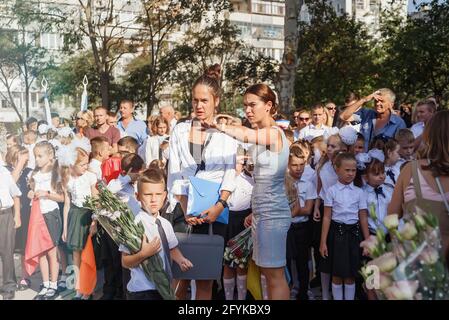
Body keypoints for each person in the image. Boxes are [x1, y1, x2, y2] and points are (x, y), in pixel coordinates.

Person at [204, 83, 291, 300]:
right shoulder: (261, 134)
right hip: (260, 213)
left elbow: (244, 134)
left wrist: (218, 124)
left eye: (252, 105)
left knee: (274, 275)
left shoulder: (274, 133)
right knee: (265, 272)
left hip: (273, 213)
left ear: (269, 106)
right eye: (245, 106)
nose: (247, 110)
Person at [168, 69, 237, 300]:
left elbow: (230, 173)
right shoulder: (179, 130)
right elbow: (174, 173)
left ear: (216, 101)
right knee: (180, 276)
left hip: (215, 211)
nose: (199, 105)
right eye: (195, 100)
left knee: (206, 276)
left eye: (204, 100)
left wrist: (219, 206)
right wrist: (187, 210)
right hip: (183, 210)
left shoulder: (226, 133)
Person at [120, 169, 193, 300]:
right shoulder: (134, 224)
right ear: (137, 196)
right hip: (142, 291)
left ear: (165, 195)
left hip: (163, 288)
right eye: (148, 194)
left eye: (158, 194)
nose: (154, 199)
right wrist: (143, 254)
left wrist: (181, 260)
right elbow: (125, 261)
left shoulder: (165, 223)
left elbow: (171, 248)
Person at [388, 110, 449, 253]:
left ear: (428, 135)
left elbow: (392, 216)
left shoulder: (410, 170)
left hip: (417, 264)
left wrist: (398, 248)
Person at [320, 152, 369, 300]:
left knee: (350, 275)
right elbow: (327, 217)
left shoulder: (360, 192)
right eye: (347, 170)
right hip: (336, 235)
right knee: (336, 275)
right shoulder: (331, 191)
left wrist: (367, 241)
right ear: (337, 169)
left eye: (353, 170)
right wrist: (323, 242)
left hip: (354, 235)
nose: (351, 173)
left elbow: (363, 217)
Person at [28, 142, 65, 300]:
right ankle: (45, 283)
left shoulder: (55, 174)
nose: (36, 159)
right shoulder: (35, 174)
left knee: (51, 251)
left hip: (51, 213)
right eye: (35, 156)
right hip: (36, 214)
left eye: (40, 156)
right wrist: (31, 193)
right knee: (40, 251)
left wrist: (47, 194)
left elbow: (62, 197)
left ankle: (54, 283)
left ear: (50, 156)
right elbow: (31, 190)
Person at [60, 147, 98, 300]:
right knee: (76, 253)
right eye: (82, 164)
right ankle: (79, 287)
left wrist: (95, 220)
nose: (86, 166)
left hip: (88, 215)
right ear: (72, 165)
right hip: (75, 215)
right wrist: (65, 228)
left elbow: (96, 200)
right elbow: (67, 204)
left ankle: (89, 287)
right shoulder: (67, 179)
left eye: (86, 163)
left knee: (88, 253)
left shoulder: (90, 177)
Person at [285, 145, 316, 300]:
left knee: (302, 262)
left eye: (301, 165)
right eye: (294, 165)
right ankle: (288, 290)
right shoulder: (283, 183)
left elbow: (308, 210)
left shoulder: (308, 184)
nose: (298, 169)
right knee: (286, 262)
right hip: (286, 228)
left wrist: (292, 211)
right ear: (288, 165)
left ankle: (303, 291)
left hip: (302, 227)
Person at [222, 154, 254, 301]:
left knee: (241, 264)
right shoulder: (225, 176)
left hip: (244, 221)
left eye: (244, 161)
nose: (241, 164)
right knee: (227, 263)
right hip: (226, 219)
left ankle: (242, 299)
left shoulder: (253, 180)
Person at [339, 89, 406, 151]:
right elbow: (343, 116)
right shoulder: (366, 114)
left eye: (382, 101)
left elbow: (401, 148)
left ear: (391, 104)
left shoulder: (398, 123)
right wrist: (364, 100)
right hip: (362, 161)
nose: (377, 103)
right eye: (376, 100)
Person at [4, 146, 32, 292]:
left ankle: (24, 276)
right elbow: (11, 185)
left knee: (24, 247)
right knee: (8, 248)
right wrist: (19, 164)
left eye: (26, 159)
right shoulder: (6, 170)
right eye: (23, 158)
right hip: (9, 214)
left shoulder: (29, 171)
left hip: (27, 212)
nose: (26, 161)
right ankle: (9, 278)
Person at [0, 164, 22, 300]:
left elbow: (16, 195)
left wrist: (17, 215)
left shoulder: (4, 173)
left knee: (6, 251)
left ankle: (9, 286)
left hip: (5, 215)